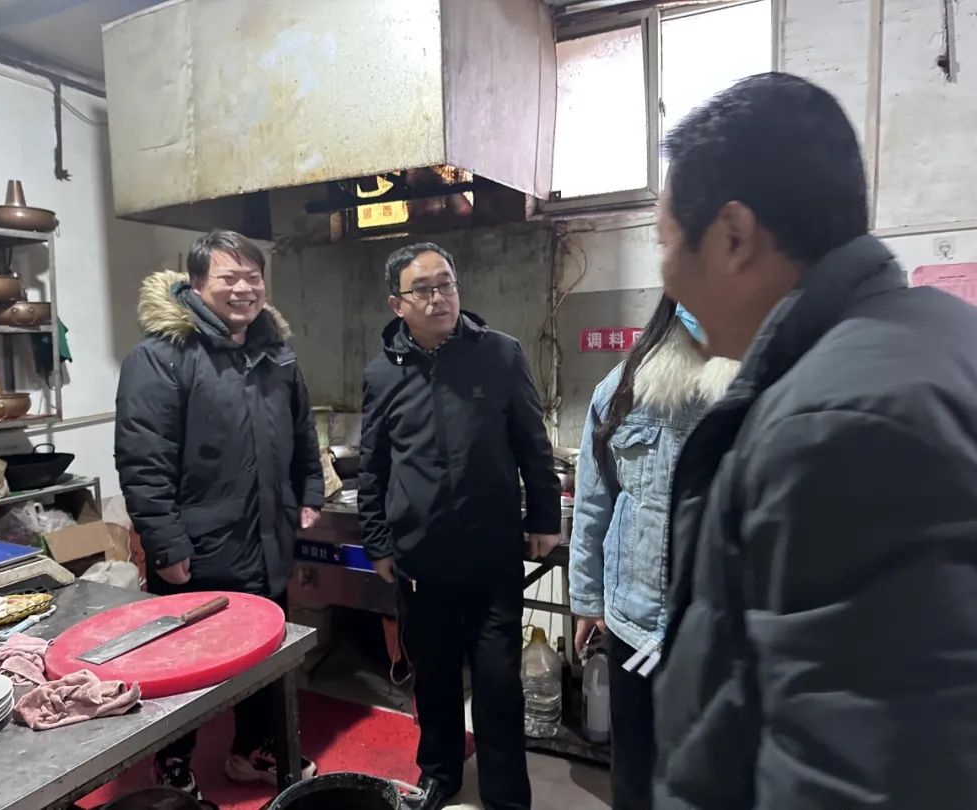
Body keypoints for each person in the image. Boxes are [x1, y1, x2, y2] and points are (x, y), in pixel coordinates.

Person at [653, 72, 977, 808]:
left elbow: (849, 775)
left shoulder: (834, 427)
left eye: (665, 242)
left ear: (734, 237)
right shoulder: (935, 335)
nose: (665, 278)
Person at [115, 230, 324, 799]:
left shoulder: (276, 353)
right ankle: (172, 765)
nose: (243, 289)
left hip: (268, 538)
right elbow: (143, 460)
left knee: (263, 653)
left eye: (253, 277)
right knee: (184, 663)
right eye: (228, 278)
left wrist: (309, 490)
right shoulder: (161, 357)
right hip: (200, 548)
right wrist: (166, 544)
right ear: (196, 283)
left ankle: (251, 749)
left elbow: (303, 431)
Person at [358, 243, 562, 810]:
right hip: (421, 560)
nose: (438, 298)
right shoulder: (382, 373)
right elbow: (373, 466)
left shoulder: (499, 354)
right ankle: (439, 774)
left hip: (492, 554)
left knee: (498, 683)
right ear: (397, 303)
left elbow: (532, 442)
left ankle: (506, 796)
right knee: (435, 679)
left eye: (445, 284)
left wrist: (544, 515)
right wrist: (378, 541)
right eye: (423, 289)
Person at [569, 296, 738, 810]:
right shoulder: (625, 388)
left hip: (723, 637)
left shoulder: (760, 389)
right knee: (636, 775)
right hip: (636, 627)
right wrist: (587, 600)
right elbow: (593, 502)